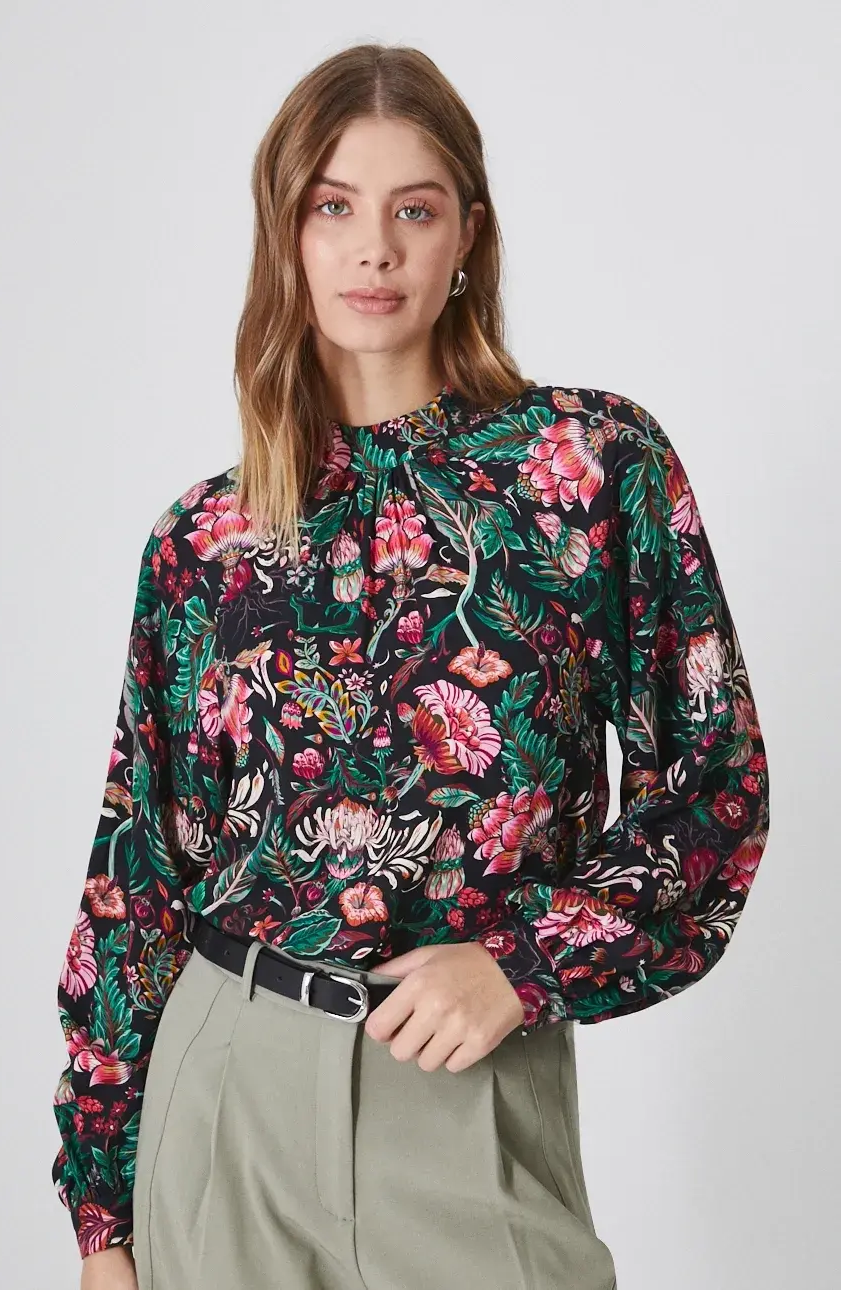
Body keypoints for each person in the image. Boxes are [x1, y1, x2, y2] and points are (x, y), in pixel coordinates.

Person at [51, 41, 770, 1290]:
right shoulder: (204, 540)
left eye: (414, 210)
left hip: (470, 1092)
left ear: (469, 238)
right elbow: (138, 872)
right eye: (333, 207)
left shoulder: (593, 468)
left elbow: (716, 788)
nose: (373, 250)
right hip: (226, 1106)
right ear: (286, 236)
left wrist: (527, 963)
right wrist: (103, 1220)